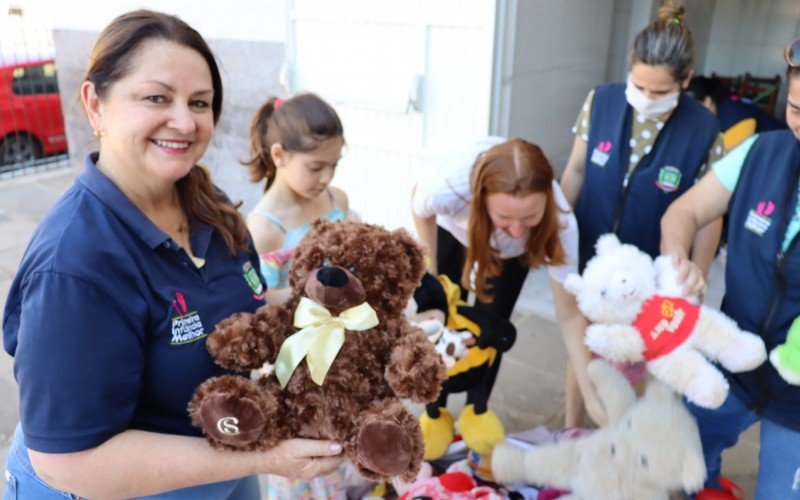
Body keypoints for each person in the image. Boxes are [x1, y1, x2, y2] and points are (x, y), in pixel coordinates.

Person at [1, 10, 342, 499]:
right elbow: (69, 464)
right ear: (95, 105)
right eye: (157, 97)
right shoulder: (74, 267)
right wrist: (266, 453)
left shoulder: (210, 206)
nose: (185, 121)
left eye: (199, 102)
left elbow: (239, 307)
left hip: (224, 469)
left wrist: (326, 308)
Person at [559, 0, 725, 427]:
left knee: (641, 359)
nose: (645, 98)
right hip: (595, 257)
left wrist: (693, 281)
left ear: (686, 80)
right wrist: (556, 232)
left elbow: (708, 217)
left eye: (659, 91)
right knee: (584, 344)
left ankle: (628, 441)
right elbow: (576, 170)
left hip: (652, 268)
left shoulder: (705, 132)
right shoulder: (602, 101)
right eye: (639, 85)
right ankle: (573, 427)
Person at [660, 36, 800, 500]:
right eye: (798, 109)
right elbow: (682, 214)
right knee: (683, 462)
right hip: (732, 355)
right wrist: (678, 258)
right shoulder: (762, 151)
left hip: (799, 391)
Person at [412, 136, 609, 428]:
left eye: (529, 217)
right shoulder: (450, 189)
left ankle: (474, 417)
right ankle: (435, 414)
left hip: (509, 257)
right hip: (453, 231)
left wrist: (592, 398)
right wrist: (431, 275)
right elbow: (420, 206)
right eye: (505, 217)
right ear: (480, 198)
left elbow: (569, 315)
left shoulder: (562, 221)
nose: (517, 230)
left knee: (491, 329)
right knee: (440, 317)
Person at [243, 93, 356, 306]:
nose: (327, 177)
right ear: (279, 155)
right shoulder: (265, 229)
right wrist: (316, 292)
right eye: (316, 168)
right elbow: (260, 299)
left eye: (334, 165)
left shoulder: (337, 200)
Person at [686, 74, 786, 151]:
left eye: (692, 108)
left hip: (784, 147)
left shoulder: (729, 116)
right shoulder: (723, 105)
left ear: (708, 101)